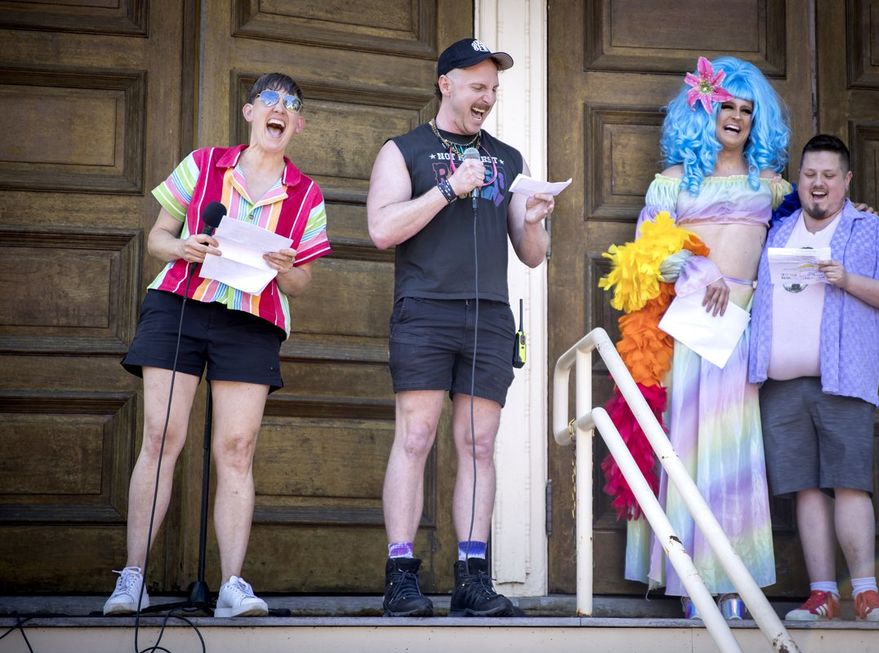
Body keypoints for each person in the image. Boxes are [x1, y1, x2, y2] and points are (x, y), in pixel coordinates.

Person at [102, 73, 331, 618]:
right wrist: (184, 246)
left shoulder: (307, 194)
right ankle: (132, 578)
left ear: (297, 125)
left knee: (235, 450)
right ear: (251, 112)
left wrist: (286, 266)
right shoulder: (204, 163)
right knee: (161, 436)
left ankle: (232, 584)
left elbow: (302, 282)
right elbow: (158, 236)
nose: (279, 111)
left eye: (291, 106)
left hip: (252, 320)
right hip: (179, 305)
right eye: (270, 101)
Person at [366, 38, 554, 617]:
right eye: (478, 87)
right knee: (416, 437)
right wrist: (448, 188)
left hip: (489, 315)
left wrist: (536, 222)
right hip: (425, 309)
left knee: (478, 444)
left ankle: (472, 576)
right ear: (445, 83)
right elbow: (381, 229)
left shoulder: (508, 159)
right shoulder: (403, 150)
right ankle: (401, 575)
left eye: (494, 89)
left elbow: (530, 256)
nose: (487, 98)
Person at [633, 56, 793, 619]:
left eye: (748, 110)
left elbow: (810, 229)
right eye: (727, 104)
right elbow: (646, 254)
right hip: (691, 329)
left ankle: (734, 583)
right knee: (692, 449)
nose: (737, 117)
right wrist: (700, 274)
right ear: (704, 109)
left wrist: (853, 213)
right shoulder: (675, 182)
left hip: (742, 333)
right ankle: (692, 583)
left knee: (736, 456)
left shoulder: (773, 186)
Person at [749, 134, 879, 622]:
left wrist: (848, 280)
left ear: (846, 181)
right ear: (797, 180)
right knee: (804, 487)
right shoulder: (777, 232)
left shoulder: (870, 229)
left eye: (828, 176)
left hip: (842, 379)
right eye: (809, 175)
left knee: (848, 484)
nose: (817, 184)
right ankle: (823, 594)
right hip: (781, 382)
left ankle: (866, 591)